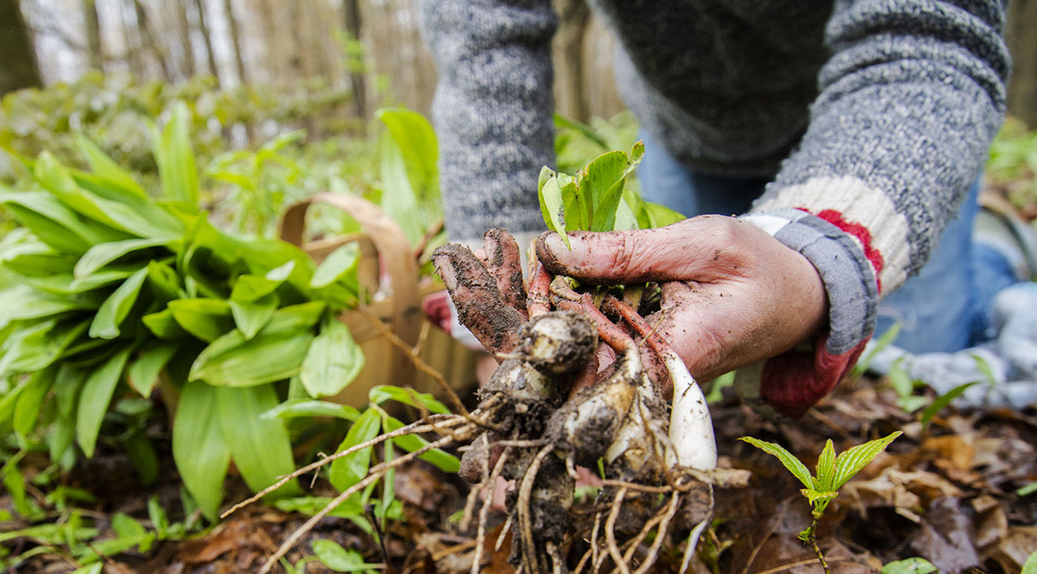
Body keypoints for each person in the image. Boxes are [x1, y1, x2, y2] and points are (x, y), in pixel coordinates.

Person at [418, 0, 1036, 417]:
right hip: (689, 132)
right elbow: (484, 37)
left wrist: (821, 252)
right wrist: (506, 302)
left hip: (881, 127)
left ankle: (995, 254)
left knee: (906, 360)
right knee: (691, 350)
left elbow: (931, 40)